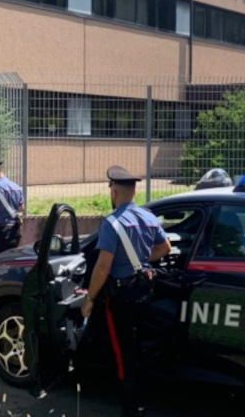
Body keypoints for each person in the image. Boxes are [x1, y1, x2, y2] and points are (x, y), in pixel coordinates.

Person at [81, 165, 171, 417]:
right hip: (145, 293)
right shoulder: (149, 217)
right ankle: (141, 397)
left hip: (121, 298)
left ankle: (130, 408)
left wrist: (89, 298)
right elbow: (165, 247)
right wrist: (141, 263)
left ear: (114, 191)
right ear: (133, 191)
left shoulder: (112, 223)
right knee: (140, 346)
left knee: (124, 353)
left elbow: (103, 266)